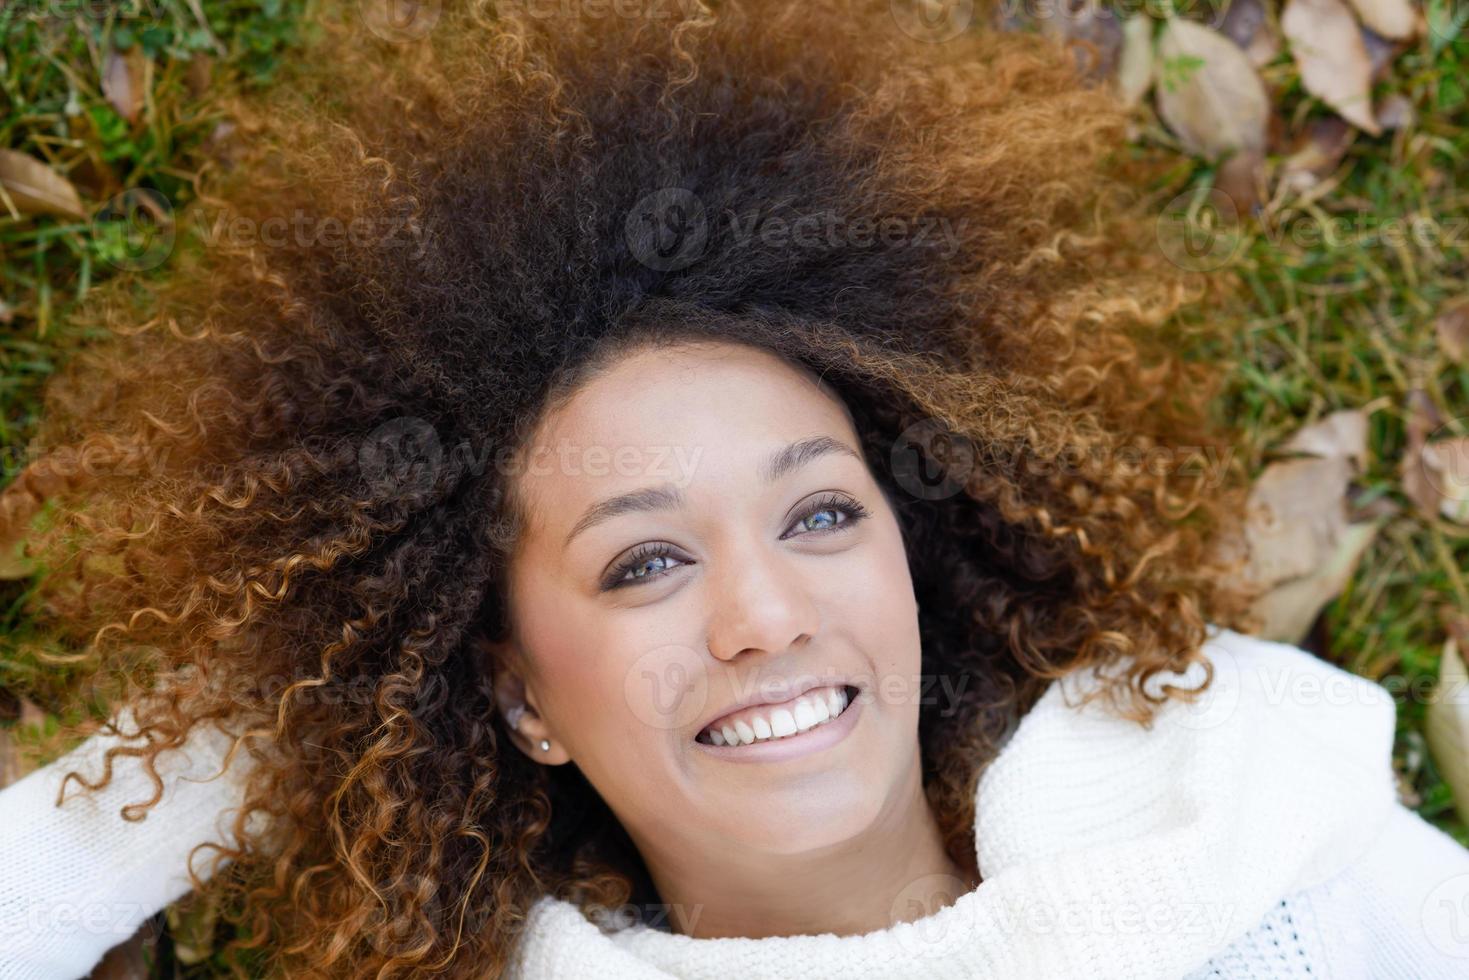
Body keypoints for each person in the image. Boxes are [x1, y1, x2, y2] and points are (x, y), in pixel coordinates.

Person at [1, 1, 1466, 978]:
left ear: (915, 551)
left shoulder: (1235, 805)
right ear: (513, 694)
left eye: (821, 513)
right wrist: (253, 731)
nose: (763, 614)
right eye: (643, 564)